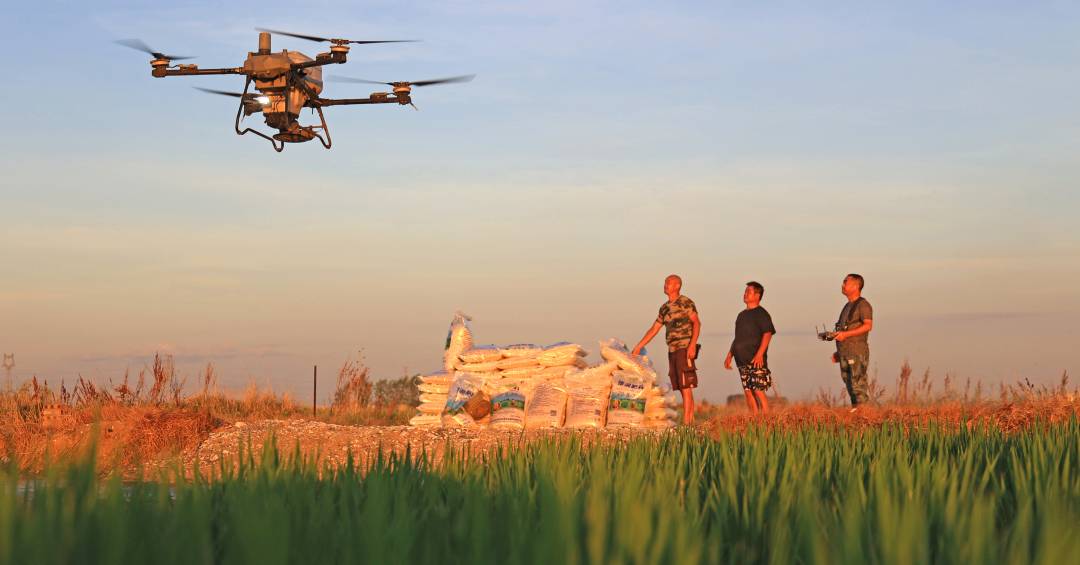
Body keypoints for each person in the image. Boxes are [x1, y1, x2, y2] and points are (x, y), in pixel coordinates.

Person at [632, 274, 701, 425]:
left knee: (686, 386)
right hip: (672, 350)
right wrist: (639, 346)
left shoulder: (685, 302)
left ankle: (687, 424)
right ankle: (690, 422)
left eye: (668, 283)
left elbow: (697, 323)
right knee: (681, 387)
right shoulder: (664, 308)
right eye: (665, 282)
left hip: (684, 348)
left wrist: (692, 345)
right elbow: (654, 329)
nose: (665, 285)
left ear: (677, 286)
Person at [724, 281, 776, 413]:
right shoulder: (741, 315)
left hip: (756, 360)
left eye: (749, 292)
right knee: (748, 392)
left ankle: (768, 421)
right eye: (745, 291)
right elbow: (738, 338)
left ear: (757, 295)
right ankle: (754, 420)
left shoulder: (761, 313)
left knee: (758, 390)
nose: (745, 294)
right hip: (741, 360)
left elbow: (768, 333)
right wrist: (729, 355)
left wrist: (759, 354)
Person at [831, 273, 874, 408]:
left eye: (846, 282)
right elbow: (844, 329)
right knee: (850, 385)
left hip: (856, 352)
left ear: (856, 286)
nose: (842, 285)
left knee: (858, 385)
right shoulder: (847, 306)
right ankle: (857, 413)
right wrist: (839, 352)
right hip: (845, 352)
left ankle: (865, 414)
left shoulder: (863, 305)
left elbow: (868, 325)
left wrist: (845, 335)